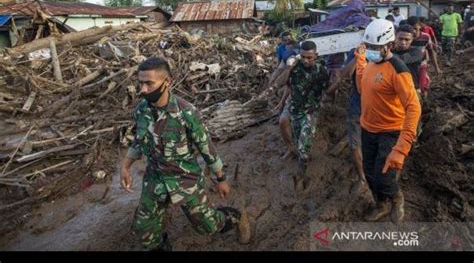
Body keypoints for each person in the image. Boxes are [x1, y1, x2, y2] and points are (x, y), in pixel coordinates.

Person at [120, 57, 248, 251]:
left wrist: (221, 178)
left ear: (167, 82)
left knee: (209, 226)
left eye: (149, 83)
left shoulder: (186, 112)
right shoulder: (141, 111)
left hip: (185, 180)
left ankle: (236, 217)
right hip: (155, 179)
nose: (143, 90)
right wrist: (126, 166)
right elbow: (139, 141)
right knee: (144, 230)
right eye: (140, 83)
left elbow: (206, 148)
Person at [354, 19, 421, 224]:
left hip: (391, 130)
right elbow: (362, 89)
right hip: (368, 129)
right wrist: (359, 63)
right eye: (369, 47)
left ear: (389, 46)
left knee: (384, 177)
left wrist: (401, 148)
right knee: (370, 174)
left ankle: (397, 198)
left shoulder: (399, 70)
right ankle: (381, 204)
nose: (371, 51)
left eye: (376, 47)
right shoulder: (370, 64)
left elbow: (413, 107)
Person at [267, 41, 338, 191]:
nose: (306, 60)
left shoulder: (321, 70)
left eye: (310, 57)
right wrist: (289, 67)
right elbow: (281, 82)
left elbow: (328, 91)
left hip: (310, 112)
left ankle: (300, 176)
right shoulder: (295, 67)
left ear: (316, 56)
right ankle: (297, 155)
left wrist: (337, 82)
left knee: (303, 149)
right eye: (304, 57)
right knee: (298, 140)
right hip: (295, 110)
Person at [339, 49, 368, 195]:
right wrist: (357, 58)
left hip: (378, 108)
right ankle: (362, 178)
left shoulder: (388, 52)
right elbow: (344, 74)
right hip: (356, 105)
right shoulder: (356, 52)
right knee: (354, 143)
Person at [407, 17, 442, 95]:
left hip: (421, 64)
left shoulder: (425, 37)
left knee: (422, 87)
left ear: (420, 26)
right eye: (412, 29)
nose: (414, 31)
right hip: (409, 66)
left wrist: (437, 68)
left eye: (416, 28)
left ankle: (424, 101)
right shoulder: (406, 38)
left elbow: (431, 52)